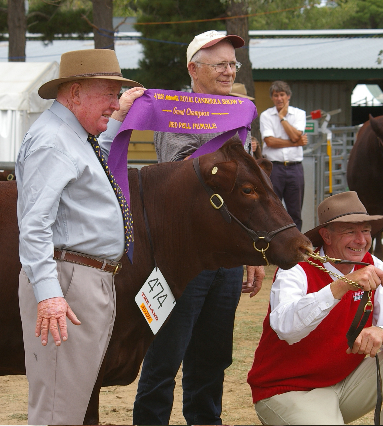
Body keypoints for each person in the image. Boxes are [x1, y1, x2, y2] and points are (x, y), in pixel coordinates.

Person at [133, 30, 265, 425]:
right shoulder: (176, 111)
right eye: (220, 64)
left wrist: (251, 252)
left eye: (232, 64)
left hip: (224, 258)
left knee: (211, 359)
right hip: (181, 258)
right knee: (164, 356)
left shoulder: (240, 116)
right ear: (193, 69)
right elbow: (189, 171)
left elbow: (249, 195)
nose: (229, 71)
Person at [15, 49, 145, 425]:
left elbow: (91, 166)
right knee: (58, 410)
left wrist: (117, 118)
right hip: (68, 283)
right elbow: (34, 224)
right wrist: (50, 294)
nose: (114, 102)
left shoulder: (70, 136)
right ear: (75, 93)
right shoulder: (54, 141)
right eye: (108, 94)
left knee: (67, 404)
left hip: (78, 279)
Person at [247, 191, 383, 425]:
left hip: (345, 385)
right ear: (326, 235)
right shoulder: (296, 268)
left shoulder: (373, 264)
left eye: (365, 230)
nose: (361, 240)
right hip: (286, 389)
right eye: (349, 232)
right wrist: (342, 286)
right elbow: (286, 328)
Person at [259, 80, 308, 230]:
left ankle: (297, 246)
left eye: (282, 95)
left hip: (295, 168)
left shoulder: (299, 114)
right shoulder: (266, 116)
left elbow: (295, 135)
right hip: (274, 168)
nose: (279, 98)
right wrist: (295, 143)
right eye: (275, 95)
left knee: (295, 211)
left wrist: (282, 118)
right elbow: (270, 141)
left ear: (288, 96)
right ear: (272, 98)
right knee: (272, 209)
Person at [229, 82, 262, 159]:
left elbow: (247, 138)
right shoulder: (221, 118)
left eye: (243, 101)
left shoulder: (245, 118)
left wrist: (254, 144)